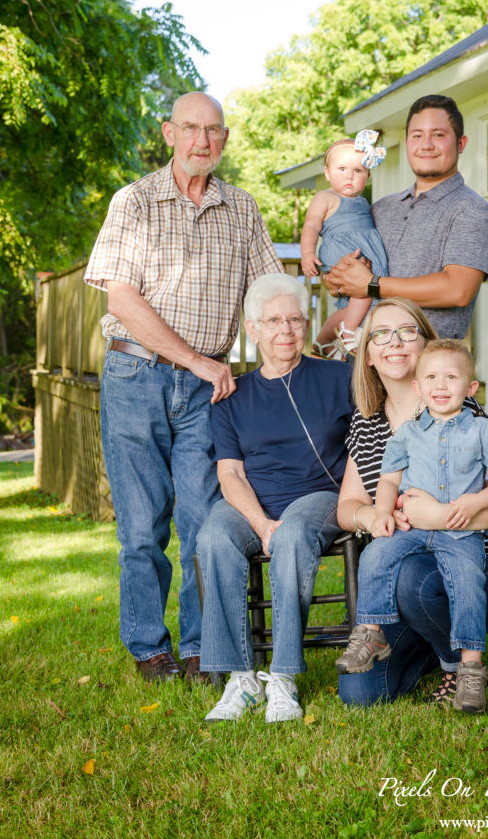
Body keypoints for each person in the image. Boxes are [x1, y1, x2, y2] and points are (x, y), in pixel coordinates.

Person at [84, 92, 283, 684]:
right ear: (169, 133)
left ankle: (200, 648)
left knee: (203, 521)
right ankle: (149, 649)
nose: (202, 140)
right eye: (191, 128)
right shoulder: (135, 202)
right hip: (135, 377)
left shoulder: (242, 209)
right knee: (142, 529)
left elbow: (271, 292)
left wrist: (326, 330)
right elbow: (121, 296)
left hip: (209, 392)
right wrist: (196, 359)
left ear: (225, 138)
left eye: (214, 130)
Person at [335, 297, 488, 709]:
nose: (395, 342)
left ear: (425, 343)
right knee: (359, 694)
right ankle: (419, 643)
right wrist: (373, 513)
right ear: (367, 353)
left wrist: (442, 517)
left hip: (479, 567)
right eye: (381, 334)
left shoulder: (458, 409)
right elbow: (348, 504)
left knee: (414, 580)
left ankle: (462, 669)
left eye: (408, 331)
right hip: (408, 560)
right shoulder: (367, 422)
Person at [197, 273, 352, 722]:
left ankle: (282, 678)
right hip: (252, 501)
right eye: (274, 321)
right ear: (253, 329)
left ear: (306, 324)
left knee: (294, 533)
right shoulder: (232, 397)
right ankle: (240, 679)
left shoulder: (337, 377)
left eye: (295, 320)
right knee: (213, 537)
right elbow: (230, 474)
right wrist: (261, 523)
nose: (286, 329)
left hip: (319, 495)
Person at [323, 95, 488, 341]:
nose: (426, 144)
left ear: (461, 143)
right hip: (360, 362)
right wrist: (337, 278)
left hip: (424, 367)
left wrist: (373, 285)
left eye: (438, 135)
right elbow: (346, 275)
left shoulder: (471, 210)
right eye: (417, 135)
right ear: (407, 143)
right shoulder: (381, 208)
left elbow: (458, 290)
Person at [301, 132, 388, 358]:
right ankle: (348, 331)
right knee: (366, 289)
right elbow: (311, 226)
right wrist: (307, 254)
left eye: (357, 171)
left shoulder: (362, 202)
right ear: (328, 173)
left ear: (367, 176)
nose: (349, 176)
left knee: (357, 307)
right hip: (342, 251)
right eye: (342, 169)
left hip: (360, 252)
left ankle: (322, 341)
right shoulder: (325, 197)